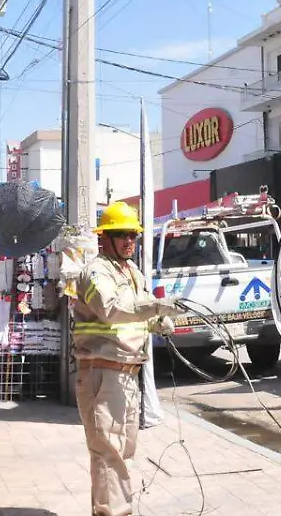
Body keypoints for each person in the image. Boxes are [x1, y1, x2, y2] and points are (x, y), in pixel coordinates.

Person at [72, 201, 184, 516]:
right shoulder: (95, 272)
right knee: (109, 452)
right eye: (121, 234)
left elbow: (140, 311)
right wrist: (158, 308)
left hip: (127, 374)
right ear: (102, 238)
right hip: (102, 373)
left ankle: (117, 509)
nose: (128, 241)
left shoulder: (132, 272)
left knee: (123, 451)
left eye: (132, 235)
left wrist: (160, 322)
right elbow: (111, 308)